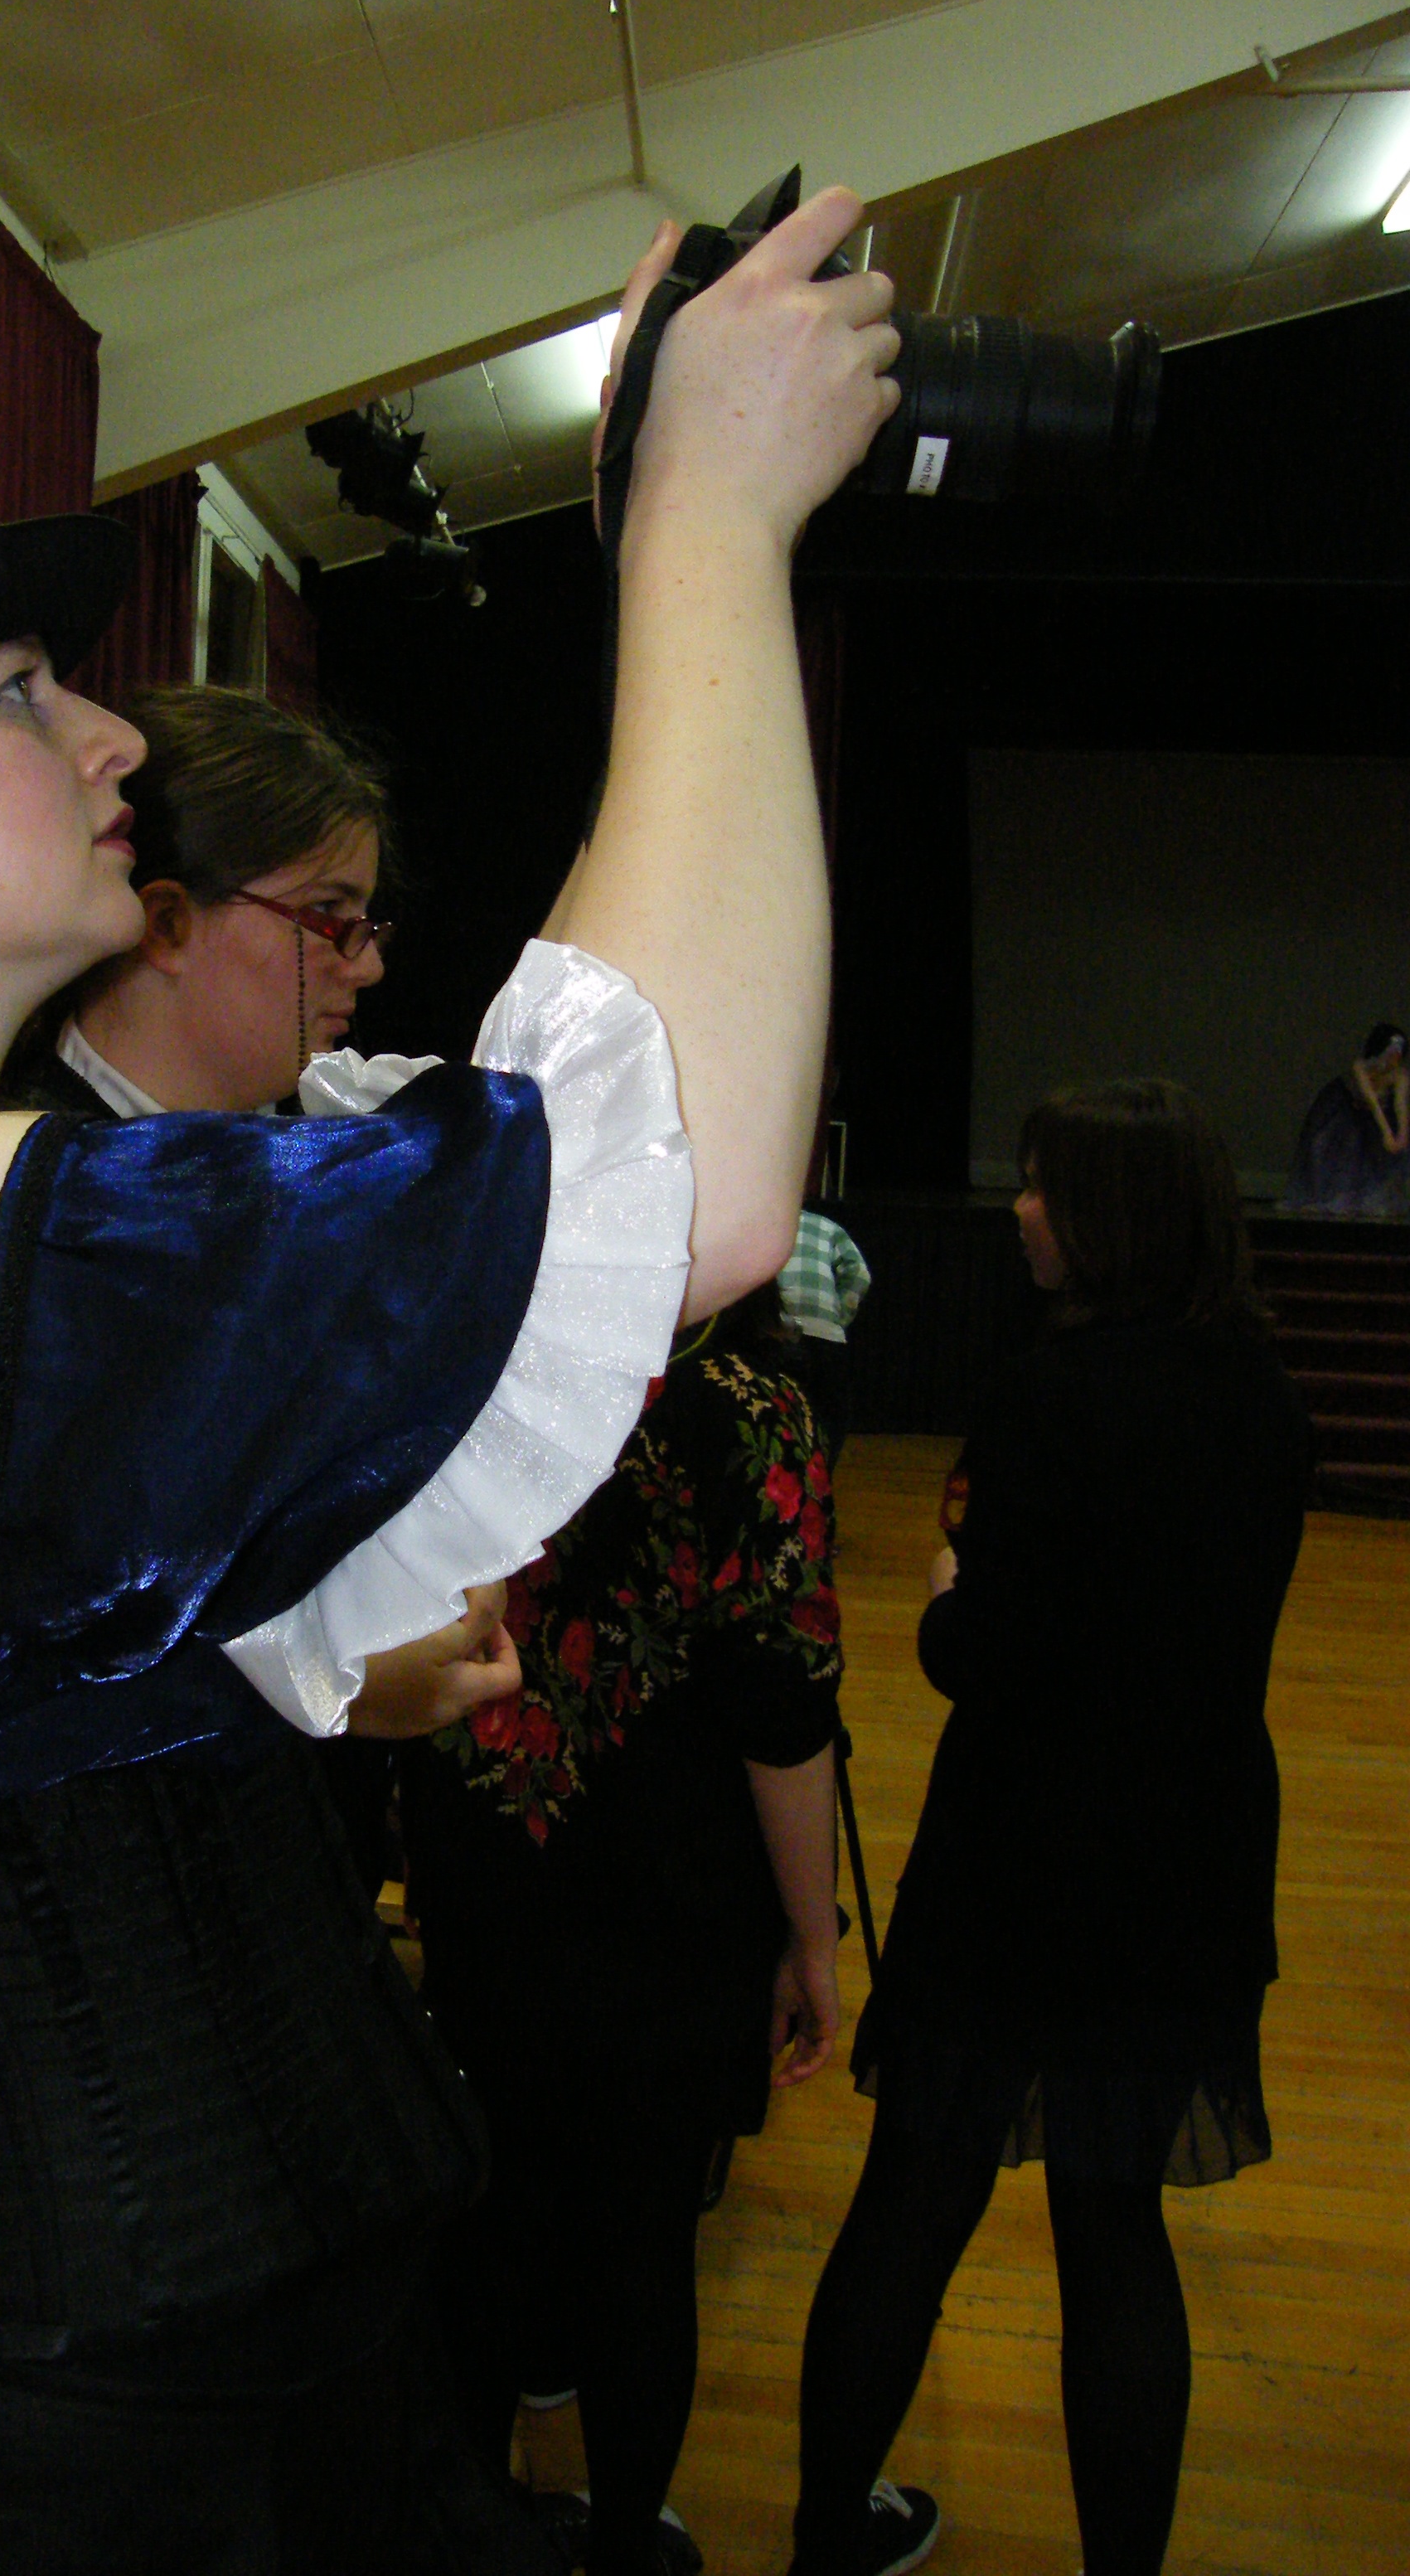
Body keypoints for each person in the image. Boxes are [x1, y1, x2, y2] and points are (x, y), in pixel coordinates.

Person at [0, 185, 901, 2574]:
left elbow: (28, 1684)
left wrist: (305, 1675)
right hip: (71, 2459)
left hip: (196, 2378)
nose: (110, 729)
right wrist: (707, 529)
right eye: (17, 694)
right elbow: (677, 1194)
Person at [790, 1079, 1312, 2576]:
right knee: (1114, 2230)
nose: (1018, 1208)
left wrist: (947, 1597)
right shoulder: (1264, 1397)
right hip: (1183, 1859)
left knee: (911, 2203)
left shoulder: (1051, 1394)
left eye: (1041, 1185)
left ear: (1112, 1216)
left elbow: (985, 1654)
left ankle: (825, 2542)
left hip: (1019, 1863)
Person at [400, 1278, 858, 2576]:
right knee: (643, 2235)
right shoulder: (750, 1404)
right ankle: (622, 2542)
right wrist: (814, 1937)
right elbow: (784, 1708)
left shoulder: (470, 1337)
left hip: (489, 1854)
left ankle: (478, 2530)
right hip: (672, 1891)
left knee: (493, 2206)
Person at [6, 680, 477, 1892]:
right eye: (329, 918)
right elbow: (45, 1626)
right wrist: (328, 1676)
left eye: (367, 921)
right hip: (121, 1886)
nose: (367, 964)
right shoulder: (39, 1201)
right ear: (164, 922)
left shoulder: (268, 1165)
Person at [1282, 1021, 1410, 1216]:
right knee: (1326, 1147)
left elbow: (1401, 1106)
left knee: (1388, 1158)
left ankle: (1375, 1199)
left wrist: (1401, 1135)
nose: (1395, 1058)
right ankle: (1324, 1197)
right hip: (1347, 1115)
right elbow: (1372, 1103)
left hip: (1375, 1121)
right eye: (1391, 1052)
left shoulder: (1400, 1075)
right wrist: (1386, 1134)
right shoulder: (1361, 1068)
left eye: (1399, 1053)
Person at [778, 1206, 870, 1465]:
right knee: (831, 1415)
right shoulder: (827, 1227)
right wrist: (839, 1317)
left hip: (776, 1333)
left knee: (779, 1412)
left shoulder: (757, 1227)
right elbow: (859, 1274)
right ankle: (821, 1474)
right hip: (824, 1336)